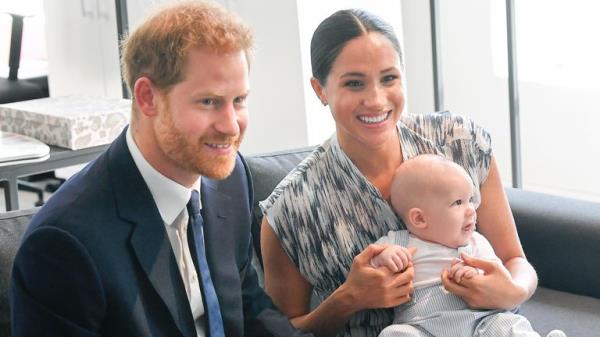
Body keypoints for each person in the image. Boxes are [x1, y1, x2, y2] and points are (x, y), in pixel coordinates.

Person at [9, 2, 311, 337]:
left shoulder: (229, 181)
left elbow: (248, 307)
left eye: (239, 100)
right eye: (209, 101)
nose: (231, 126)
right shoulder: (63, 245)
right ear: (147, 97)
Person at [260, 8, 538, 337]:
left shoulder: (459, 142)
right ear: (320, 89)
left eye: (389, 78)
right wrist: (349, 299)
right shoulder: (291, 209)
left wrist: (513, 291)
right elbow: (281, 331)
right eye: (354, 83)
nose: (376, 100)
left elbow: (515, 259)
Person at [370, 154, 565, 337]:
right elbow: (369, 262)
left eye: (470, 200)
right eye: (458, 202)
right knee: (394, 333)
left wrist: (475, 275)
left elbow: (497, 277)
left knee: (507, 325)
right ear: (419, 218)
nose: (471, 210)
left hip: (482, 322)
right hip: (423, 327)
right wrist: (386, 256)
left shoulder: (476, 242)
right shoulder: (399, 242)